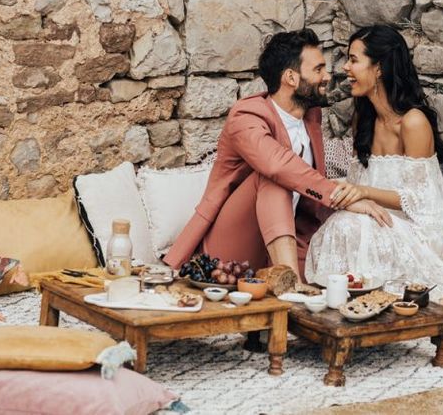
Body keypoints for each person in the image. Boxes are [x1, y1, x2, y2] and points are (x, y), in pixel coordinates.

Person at [305, 24, 443, 340]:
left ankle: (437, 304)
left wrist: (362, 193)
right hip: (380, 219)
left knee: (355, 226)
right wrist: (353, 197)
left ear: (380, 68)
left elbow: (418, 199)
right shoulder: (365, 119)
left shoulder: (414, 122)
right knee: (341, 225)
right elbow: (361, 182)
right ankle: (351, 309)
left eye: (354, 59)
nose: (345, 68)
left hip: (423, 226)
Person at [163, 29, 390, 279]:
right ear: (291, 78)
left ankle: (293, 281)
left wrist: (354, 203)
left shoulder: (311, 117)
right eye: (318, 69)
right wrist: (340, 196)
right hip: (231, 247)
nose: (327, 77)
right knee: (272, 178)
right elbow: (277, 166)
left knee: (344, 279)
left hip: (287, 244)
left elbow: (308, 190)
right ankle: (291, 289)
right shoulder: (246, 115)